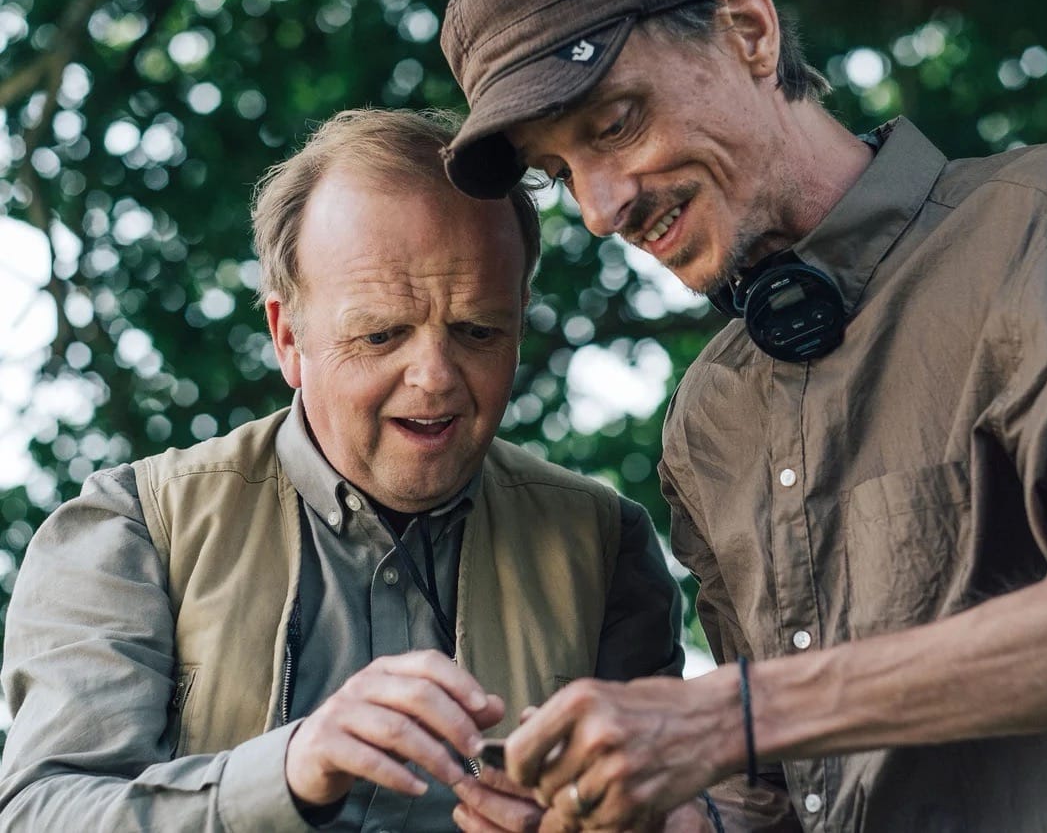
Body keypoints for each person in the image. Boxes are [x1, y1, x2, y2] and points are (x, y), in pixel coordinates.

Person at [437, 0, 1047, 830]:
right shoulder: (704, 421)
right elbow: (773, 798)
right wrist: (641, 814)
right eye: (562, 174)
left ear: (749, 32)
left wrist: (732, 713)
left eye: (615, 124)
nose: (602, 210)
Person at [0, 108, 687, 832]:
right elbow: (41, 813)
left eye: (478, 331)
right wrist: (290, 770)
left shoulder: (607, 547)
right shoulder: (132, 528)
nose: (434, 377)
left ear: (520, 323)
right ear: (288, 338)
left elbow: (677, 807)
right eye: (382, 333)